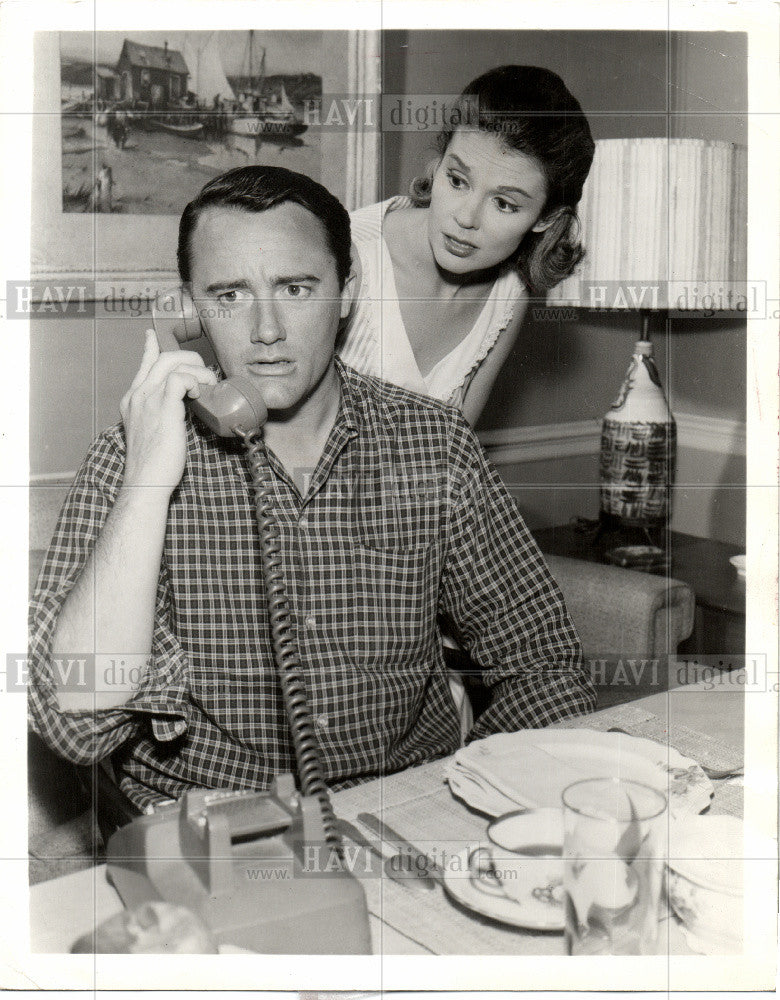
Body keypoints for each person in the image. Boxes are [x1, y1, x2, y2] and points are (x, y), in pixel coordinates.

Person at [28, 165, 596, 812]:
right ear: (189, 311)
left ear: (348, 291)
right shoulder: (127, 464)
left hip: (405, 817)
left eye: (296, 288)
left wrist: (465, 799)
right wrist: (147, 488)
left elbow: (545, 666)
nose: (267, 329)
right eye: (230, 295)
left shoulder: (434, 445)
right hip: (217, 846)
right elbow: (77, 724)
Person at [339, 65, 595, 426]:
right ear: (438, 163)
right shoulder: (345, 251)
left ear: (546, 219)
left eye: (504, 203)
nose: (466, 218)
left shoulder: (508, 295)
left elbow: (459, 455)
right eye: (457, 180)